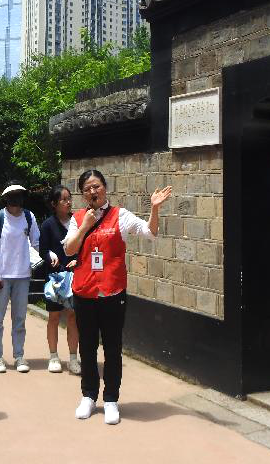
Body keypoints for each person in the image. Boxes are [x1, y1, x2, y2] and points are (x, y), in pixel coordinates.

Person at [64, 169, 172, 425]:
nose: (93, 191)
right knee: (87, 347)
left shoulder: (120, 215)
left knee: (112, 348)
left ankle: (111, 398)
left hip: (112, 293)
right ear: (83, 194)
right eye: (88, 189)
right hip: (85, 292)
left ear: (105, 187)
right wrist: (85, 226)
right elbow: (69, 249)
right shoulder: (78, 218)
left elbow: (149, 232)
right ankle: (89, 396)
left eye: (97, 186)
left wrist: (154, 209)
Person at [0, 184, 40, 374]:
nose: (16, 199)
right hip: (2, 276)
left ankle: (19, 355)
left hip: (22, 275)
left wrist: (48, 254)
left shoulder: (29, 217)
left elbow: (36, 242)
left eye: (19, 195)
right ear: (6, 198)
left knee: (19, 318)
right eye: (12, 195)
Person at [38, 185, 80, 375]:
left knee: (73, 316)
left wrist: (78, 260)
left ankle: (73, 358)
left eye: (69, 198)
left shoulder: (77, 222)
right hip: (55, 277)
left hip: (75, 276)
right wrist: (49, 255)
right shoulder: (48, 225)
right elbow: (42, 249)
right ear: (54, 204)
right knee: (54, 316)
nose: (68, 202)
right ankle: (53, 356)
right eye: (63, 199)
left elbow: (85, 246)